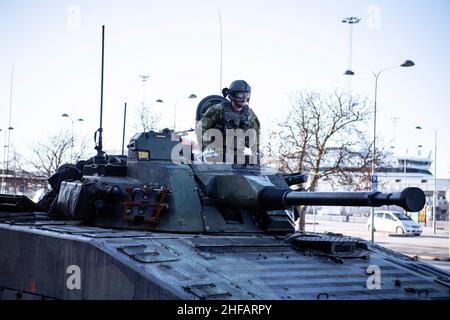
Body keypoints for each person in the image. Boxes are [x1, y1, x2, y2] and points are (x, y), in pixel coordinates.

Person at [197, 80, 260, 164]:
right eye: (240, 94)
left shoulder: (250, 115)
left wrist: (256, 152)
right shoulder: (218, 110)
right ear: (232, 94)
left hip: (238, 156)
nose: (244, 98)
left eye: (246, 94)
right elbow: (201, 128)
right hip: (216, 154)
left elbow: (255, 136)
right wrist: (205, 149)